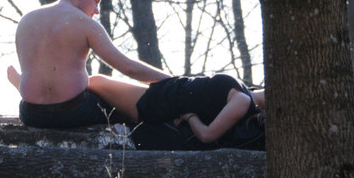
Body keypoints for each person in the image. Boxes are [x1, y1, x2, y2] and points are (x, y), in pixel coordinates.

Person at [10, 0, 169, 129]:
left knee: (96, 84)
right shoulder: (84, 23)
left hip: (31, 115)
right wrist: (170, 81)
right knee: (122, 109)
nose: (97, 11)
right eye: (96, 2)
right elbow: (128, 68)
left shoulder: (25, 21)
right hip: (73, 112)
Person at [88, 73, 265, 150]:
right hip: (166, 92)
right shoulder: (244, 93)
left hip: (161, 102)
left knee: (96, 82)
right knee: (97, 86)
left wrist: (190, 116)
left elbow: (206, 135)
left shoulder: (243, 101)